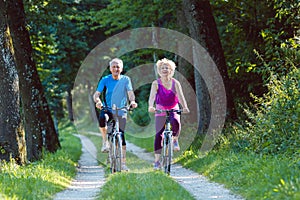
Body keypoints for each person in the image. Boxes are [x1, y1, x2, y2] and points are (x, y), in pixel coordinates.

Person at [93, 58, 138, 171]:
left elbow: (130, 93)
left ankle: (123, 163)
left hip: (121, 110)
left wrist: (132, 101)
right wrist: (98, 102)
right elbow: (96, 95)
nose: (116, 69)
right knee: (102, 118)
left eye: (118, 67)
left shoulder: (126, 79)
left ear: (121, 69)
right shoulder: (105, 80)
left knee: (121, 136)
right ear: (110, 68)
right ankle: (105, 142)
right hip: (107, 108)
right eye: (113, 66)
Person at [148, 58, 189, 170]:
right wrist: (151, 106)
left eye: (167, 68)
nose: (165, 69)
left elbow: (180, 96)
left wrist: (184, 107)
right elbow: (152, 97)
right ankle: (156, 161)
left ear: (171, 70)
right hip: (160, 108)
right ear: (159, 70)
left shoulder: (176, 83)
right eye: (162, 68)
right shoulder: (156, 83)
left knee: (176, 122)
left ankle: (175, 139)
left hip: (173, 107)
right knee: (158, 134)